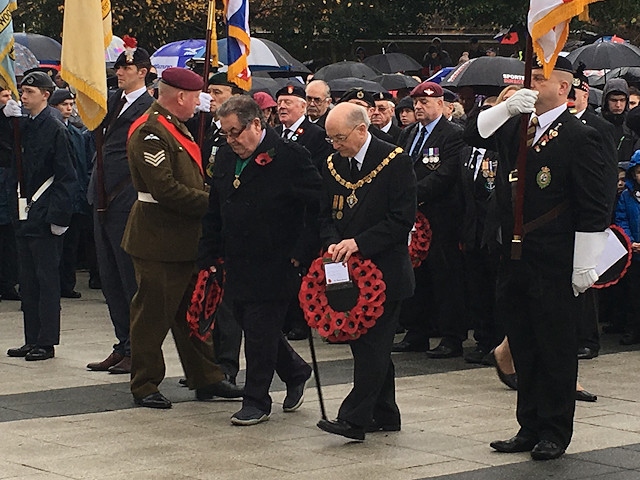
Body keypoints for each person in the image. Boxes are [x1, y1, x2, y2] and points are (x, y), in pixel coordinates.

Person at [465, 56, 611, 460]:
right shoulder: (517, 125)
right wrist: (506, 106)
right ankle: (528, 425)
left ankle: (554, 430)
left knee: (555, 348)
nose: (531, 84)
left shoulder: (580, 135)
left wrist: (585, 259)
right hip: (515, 258)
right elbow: (472, 133)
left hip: (555, 256)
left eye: (539, 78)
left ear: (563, 89)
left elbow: (594, 202)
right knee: (524, 345)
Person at [122, 67, 243, 409]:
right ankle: (144, 383)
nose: (199, 102)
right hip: (158, 239)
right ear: (179, 97)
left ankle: (207, 377)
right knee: (152, 315)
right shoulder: (150, 131)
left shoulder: (174, 127)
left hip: (184, 239)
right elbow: (165, 190)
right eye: (195, 97)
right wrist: (214, 203)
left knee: (193, 314)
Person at [198, 95, 321, 425]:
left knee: (260, 331)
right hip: (237, 260)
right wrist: (208, 253)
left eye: (235, 132)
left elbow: (316, 207)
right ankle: (295, 372)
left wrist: (301, 253)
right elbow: (215, 210)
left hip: (277, 261)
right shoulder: (225, 157)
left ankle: (256, 400)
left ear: (256, 124)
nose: (231, 140)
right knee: (250, 323)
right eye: (225, 133)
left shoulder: (291, 157)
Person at [316, 102, 416, 441]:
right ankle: (385, 413)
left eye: (340, 138)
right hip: (347, 273)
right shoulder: (333, 164)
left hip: (384, 272)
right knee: (366, 346)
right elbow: (325, 214)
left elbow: (401, 220)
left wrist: (358, 242)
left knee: (373, 345)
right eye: (330, 139)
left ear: (362, 130)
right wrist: (332, 242)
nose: (335, 145)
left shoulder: (396, 161)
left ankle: (353, 418)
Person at [86, 39, 154, 375]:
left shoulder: (149, 108)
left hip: (125, 199)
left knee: (129, 279)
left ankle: (137, 349)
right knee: (109, 277)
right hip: (100, 197)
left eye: (127, 67)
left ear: (143, 72)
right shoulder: (110, 101)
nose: (120, 72)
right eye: (119, 67)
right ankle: (121, 342)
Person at [2, 71, 76, 361]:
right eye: (22, 91)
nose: (24, 96)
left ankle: (46, 340)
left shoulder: (54, 126)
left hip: (44, 214)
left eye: (30, 92)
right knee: (28, 280)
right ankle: (31, 337)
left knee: (46, 280)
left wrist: (59, 216)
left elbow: (67, 176)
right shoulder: (24, 124)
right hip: (23, 213)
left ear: (46, 94)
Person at [393, 81, 467, 358]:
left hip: (440, 217)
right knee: (415, 275)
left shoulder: (453, 134)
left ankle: (451, 335)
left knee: (445, 276)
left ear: (441, 104)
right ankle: (417, 331)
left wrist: (410, 194)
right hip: (411, 219)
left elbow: (446, 174)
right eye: (416, 103)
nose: (419, 107)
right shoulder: (409, 134)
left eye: (426, 102)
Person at [49, 89, 97, 299]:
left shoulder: (78, 134)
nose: (69, 109)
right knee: (55, 246)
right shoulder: (52, 130)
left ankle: (67, 284)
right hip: (58, 196)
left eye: (71, 104)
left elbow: (84, 163)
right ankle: (55, 283)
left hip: (76, 197)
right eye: (64, 105)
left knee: (71, 245)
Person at [614, 151, 640, 345]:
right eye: (639, 172)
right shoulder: (627, 196)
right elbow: (622, 219)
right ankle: (632, 330)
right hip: (635, 253)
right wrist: (630, 241)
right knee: (633, 295)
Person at [275, 84, 331, 170]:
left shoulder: (317, 135)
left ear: (303, 106)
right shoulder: (274, 133)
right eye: (279, 103)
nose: (281, 107)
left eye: (287, 103)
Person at [0, 89, 20, 302]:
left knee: (9, 237)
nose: (10, 100)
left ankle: (8, 283)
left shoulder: (14, 119)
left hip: (9, 180)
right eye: (4, 96)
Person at [601, 78, 639, 163]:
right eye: (613, 100)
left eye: (622, 100)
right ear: (606, 101)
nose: (618, 105)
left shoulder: (632, 124)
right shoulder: (596, 123)